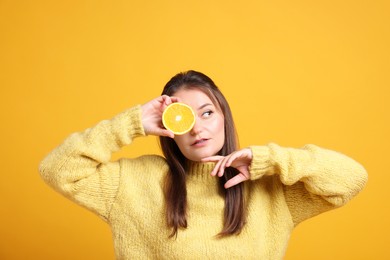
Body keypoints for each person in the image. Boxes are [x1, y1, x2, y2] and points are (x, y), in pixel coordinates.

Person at [39, 70, 368, 259]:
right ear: (170, 130)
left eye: (208, 112)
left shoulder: (270, 191)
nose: (198, 128)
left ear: (224, 117)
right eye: (185, 118)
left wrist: (272, 159)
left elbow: (351, 179)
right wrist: (131, 123)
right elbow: (58, 170)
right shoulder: (134, 182)